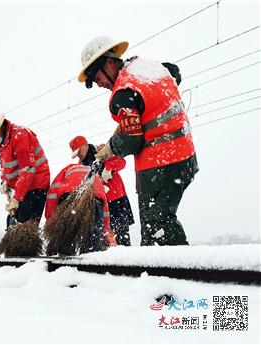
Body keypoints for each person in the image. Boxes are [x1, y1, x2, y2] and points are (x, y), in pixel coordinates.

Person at [77, 36, 198, 246]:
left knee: (156, 226)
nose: (101, 85)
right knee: (158, 225)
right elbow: (174, 72)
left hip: (160, 164)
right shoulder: (147, 68)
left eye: (98, 79)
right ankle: (167, 271)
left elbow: (132, 140)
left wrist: (111, 148)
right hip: (184, 158)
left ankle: (178, 273)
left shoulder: (122, 95)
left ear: (110, 63)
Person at [0, 112, 50, 225]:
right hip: (23, 189)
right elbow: (7, 168)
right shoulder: (4, 144)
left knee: (23, 224)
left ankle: (25, 242)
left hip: (36, 186)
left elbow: (28, 170)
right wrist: (5, 181)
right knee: (11, 222)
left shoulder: (19, 136)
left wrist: (16, 199)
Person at [70, 135, 134, 246]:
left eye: (79, 151)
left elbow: (121, 162)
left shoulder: (102, 152)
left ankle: (125, 257)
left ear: (85, 145)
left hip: (116, 198)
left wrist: (108, 168)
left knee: (121, 233)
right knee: (104, 236)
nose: (78, 155)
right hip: (100, 203)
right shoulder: (81, 165)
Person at [45, 163, 115, 254]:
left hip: (69, 197)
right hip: (95, 200)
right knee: (91, 246)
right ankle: (89, 263)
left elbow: (52, 195)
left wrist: (51, 219)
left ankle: (64, 262)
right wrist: (106, 230)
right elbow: (105, 209)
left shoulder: (66, 170)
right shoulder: (96, 178)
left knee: (66, 238)